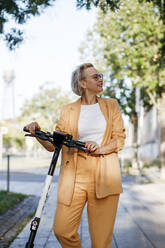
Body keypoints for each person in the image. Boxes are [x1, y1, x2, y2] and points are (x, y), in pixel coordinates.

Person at [25, 63, 126, 248]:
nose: (100, 79)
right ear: (83, 83)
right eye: (95, 76)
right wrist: (37, 132)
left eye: (100, 75)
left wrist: (100, 148)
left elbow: (119, 139)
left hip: (104, 174)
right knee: (62, 230)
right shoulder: (68, 110)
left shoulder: (111, 106)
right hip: (74, 176)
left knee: (101, 241)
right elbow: (54, 145)